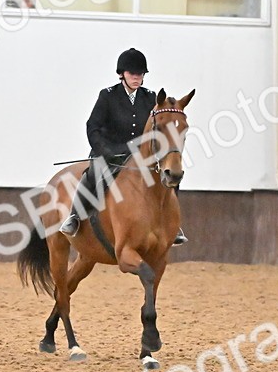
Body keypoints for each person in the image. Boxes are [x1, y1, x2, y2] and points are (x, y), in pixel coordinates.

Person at [59, 48, 187, 245]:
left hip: (141, 156)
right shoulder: (108, 96)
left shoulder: (151, 97)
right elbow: (93, 127)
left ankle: (173, 225)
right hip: (110, 151)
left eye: (140, 74)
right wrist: (105, 151)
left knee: (171, 174)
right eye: (132, 74)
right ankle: (74, 217)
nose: (136, 77)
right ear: (122, 74)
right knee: (93, 173)